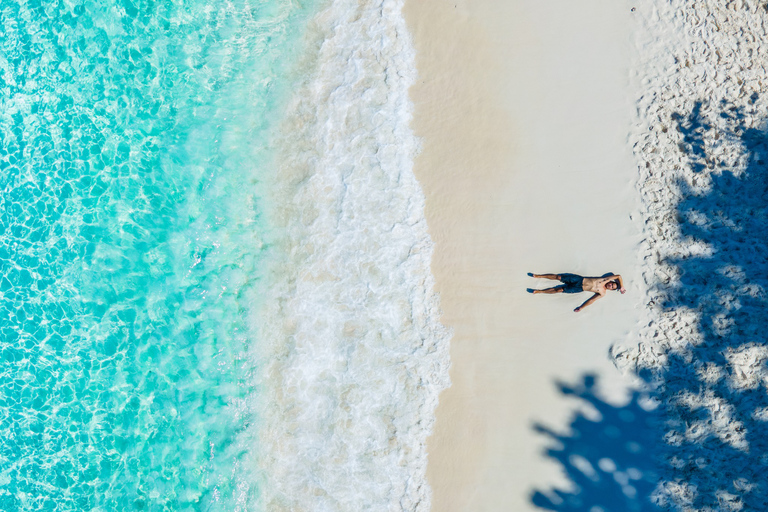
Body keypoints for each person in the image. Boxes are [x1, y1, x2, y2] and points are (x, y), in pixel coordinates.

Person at [527, 272, 626, 312]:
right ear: (611, 281)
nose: (610, 285)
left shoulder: (603, 293)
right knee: (559, 277)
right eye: (611, 284)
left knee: (559, 290)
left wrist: (581, 307)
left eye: (612, 287)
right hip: (579, 280)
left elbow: (592, 300)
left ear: (611, 289)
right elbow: (618, 276)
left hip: (579, 289)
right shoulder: (605, 279)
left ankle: (539, 291)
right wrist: (621, 287)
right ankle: (539, 276)